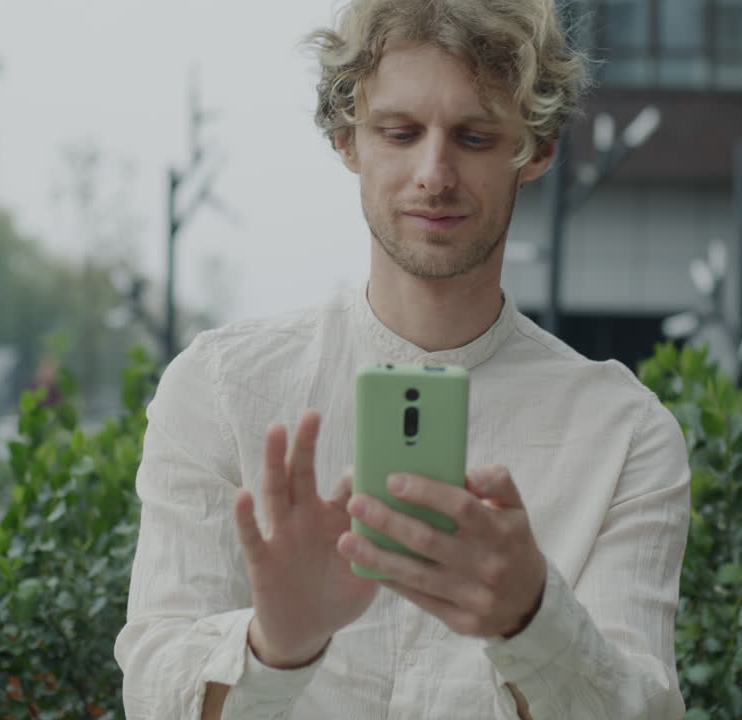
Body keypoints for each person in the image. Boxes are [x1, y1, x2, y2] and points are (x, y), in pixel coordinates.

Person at [115, 1, 691, 718]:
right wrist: (275, 644)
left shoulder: (626, 434)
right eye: (400, 132)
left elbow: (643, 711)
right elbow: (151, 694)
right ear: (346, 137)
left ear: (536, 149)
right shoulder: (222, 389)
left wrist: (531, 618)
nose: (434, 173)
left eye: (476, 137)